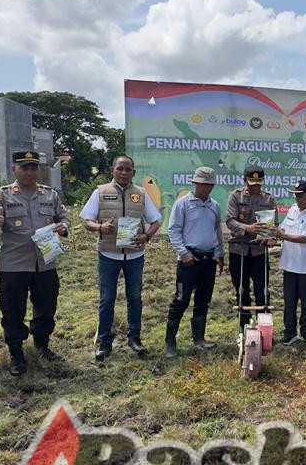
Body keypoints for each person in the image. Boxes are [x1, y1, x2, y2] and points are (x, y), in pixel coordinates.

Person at [0, 151, 70, 376]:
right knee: (12, 310)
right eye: (24, 168)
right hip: (15, 264)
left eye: (33, 167)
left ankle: (42, 345)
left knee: (47, 306)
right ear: (14, 169)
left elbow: (64, 216)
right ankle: (16, 353)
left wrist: (64, 227)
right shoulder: (2, 195)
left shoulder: (49, 195)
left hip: (46, 263)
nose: (30, 172)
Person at [79, 155, 162, 361]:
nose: (124, 172)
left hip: (135, 255)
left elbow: (156, 221)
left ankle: (134, 338)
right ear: (112, 170)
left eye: (128, 169)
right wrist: (101, 227)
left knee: (135, 297)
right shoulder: (100, 192)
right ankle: (105, 341)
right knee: (107, 299)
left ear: (133, 172)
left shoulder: (141, 194)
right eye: (120, 169)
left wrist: (147, 236)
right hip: (108, 255)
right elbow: (87, 221)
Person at [164, 166, 226, 357]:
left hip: (208, 259)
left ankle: (199, 337)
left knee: (203, 299)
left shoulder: (214, 205)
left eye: (209, 185)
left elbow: (217, 231)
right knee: (181, 300)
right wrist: (183, 253)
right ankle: (170, 342)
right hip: (189, 259)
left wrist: (220, 254)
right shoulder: (183, 204)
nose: (206, 189)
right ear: (195, 183)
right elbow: (173, 230)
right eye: (202, 184)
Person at [225, 164, 276, 328]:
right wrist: (247, 228)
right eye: (252, 183)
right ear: (244, 180)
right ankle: (244, 328)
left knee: (263, 291)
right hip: (238, 250)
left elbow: (273, 224)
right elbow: (230, 221)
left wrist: (271, 237)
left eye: (259, 183)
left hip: (259, 252)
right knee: (241, 290)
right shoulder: (236, 196)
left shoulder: (268, 199)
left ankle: (264, 328)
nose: (255, 186)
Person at [271, 180, 306, 347]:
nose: (297, 198)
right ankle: (289, 332)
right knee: (289, 302)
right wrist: (272, 236)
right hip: (289, 264)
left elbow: (304, 238)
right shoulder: (293, 209)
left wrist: (281, 236)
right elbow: (283, 229)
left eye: (300, 195)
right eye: (295, 195)